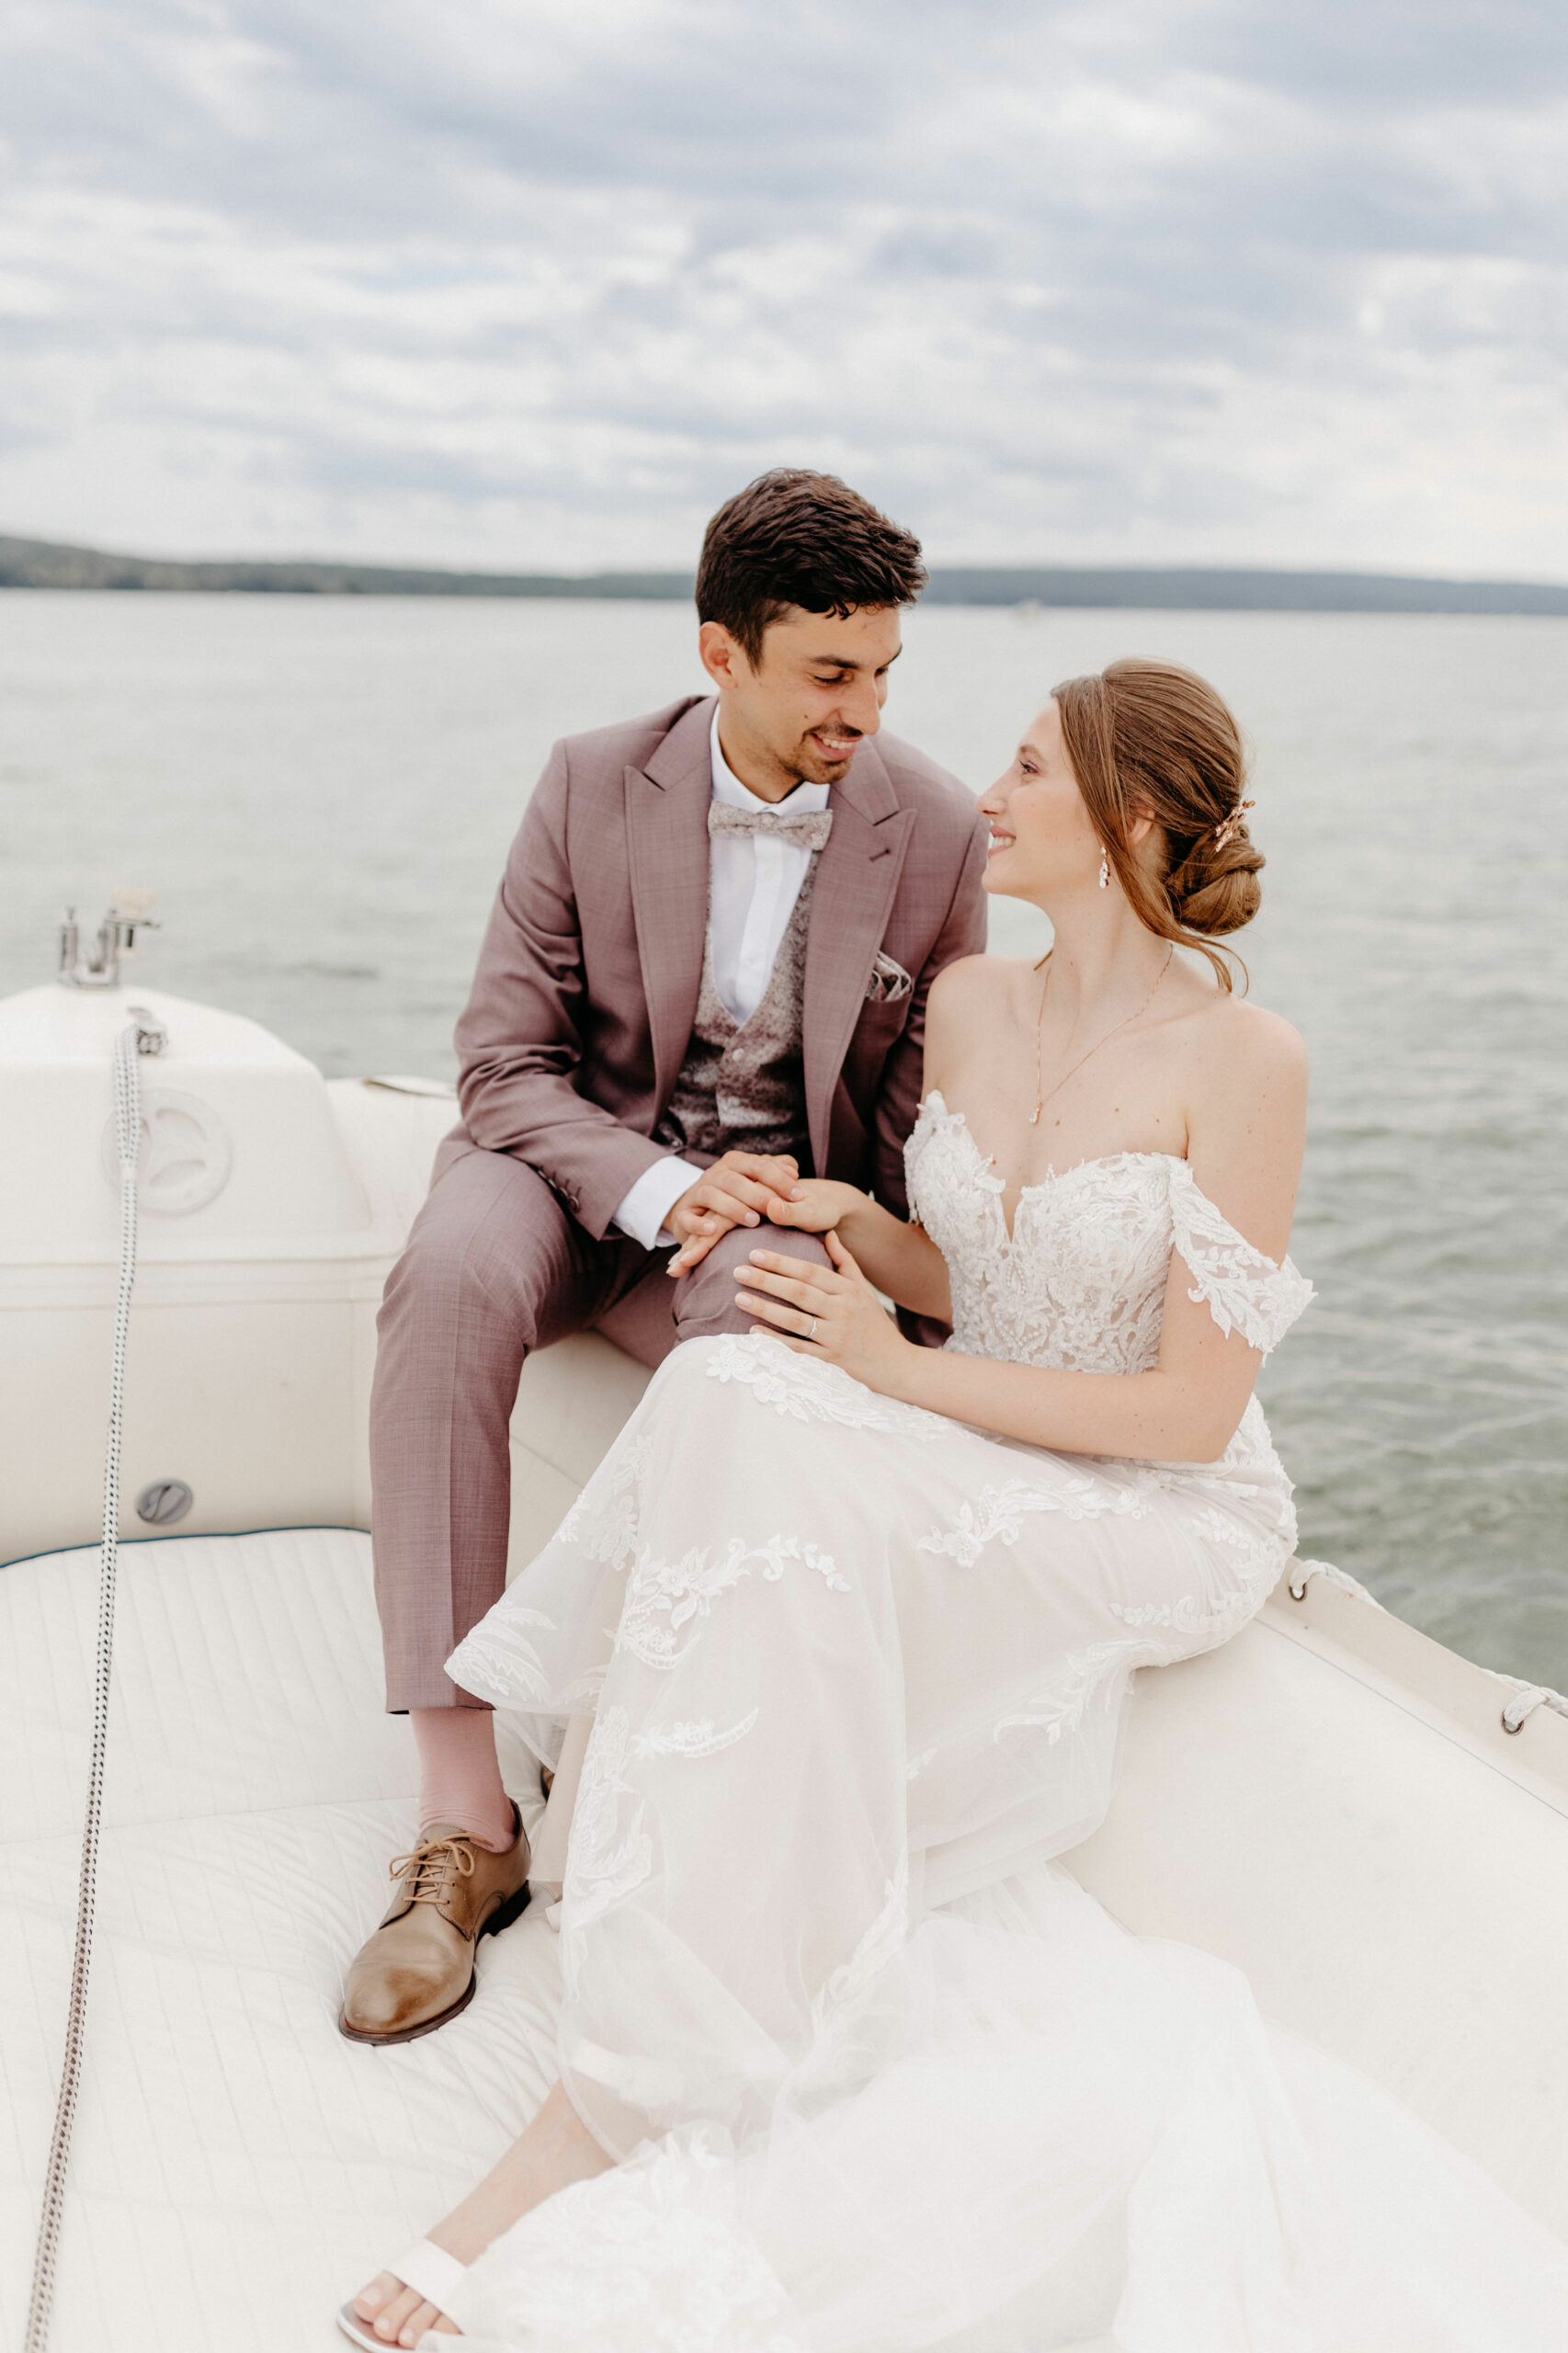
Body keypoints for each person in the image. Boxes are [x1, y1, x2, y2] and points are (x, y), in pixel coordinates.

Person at [341, 656, 1568, 2350]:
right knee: (729, 1384)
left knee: (783, 1424)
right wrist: (842, 1216)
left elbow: (1191, 1409)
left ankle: (609, 2102)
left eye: (1026, 769)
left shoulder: (1248, 1058)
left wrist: (888, 1366)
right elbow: (973, 1271)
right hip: (995, 1424)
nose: (982, 795)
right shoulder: (977, 1003)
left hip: (1154, 1505)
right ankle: (596, 1822)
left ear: (1128, 818)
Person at [340, 471, 988, 2048]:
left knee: (761, 1377)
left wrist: (838, 1255)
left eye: (886, 670)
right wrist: (647, 1190)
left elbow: (906, 1146)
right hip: (566, 1172)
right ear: (721, 653)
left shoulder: (936, 828)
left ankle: (662, 1774)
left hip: (771, 1212)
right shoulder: (585, 781)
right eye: (830, 674)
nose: (866, 709)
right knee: (443, 1287)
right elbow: (501, 1064)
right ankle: (463, 1821)